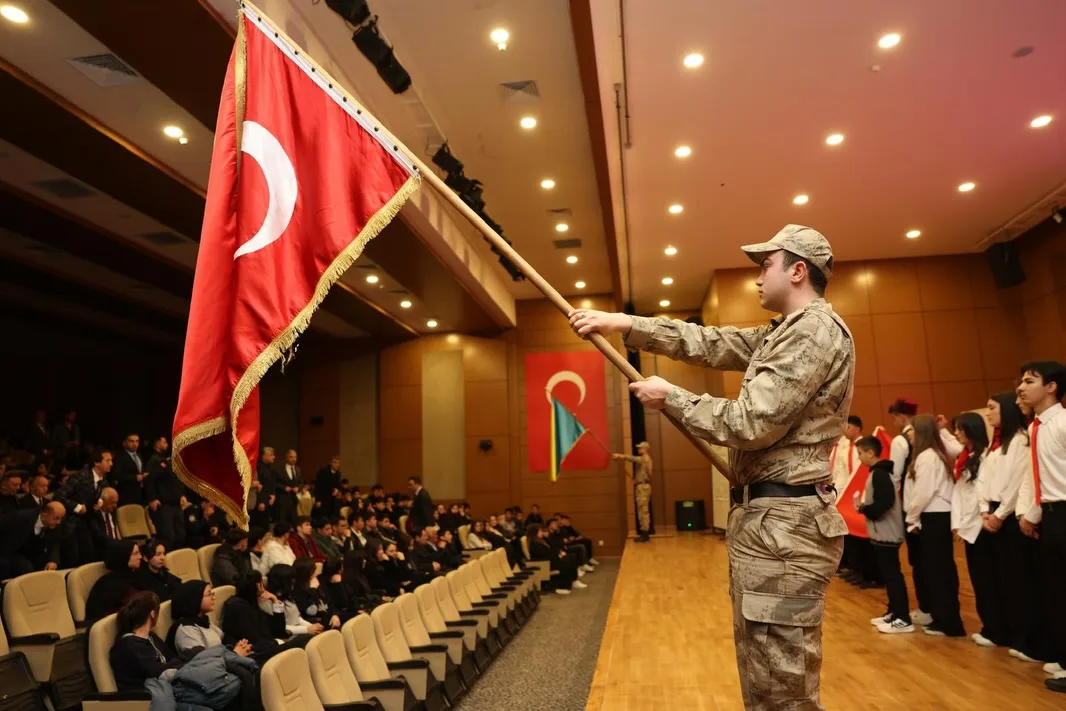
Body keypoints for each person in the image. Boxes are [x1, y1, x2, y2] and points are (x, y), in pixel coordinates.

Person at [570, 224, 852, 709]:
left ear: (798, 270)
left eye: (766, 265)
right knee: (766, 676)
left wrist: (672, 398)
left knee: (783, 688)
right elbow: (709, 342)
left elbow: (751, 423)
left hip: (785, 528)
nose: (758, 278)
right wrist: (622, 323)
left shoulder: (814, 332)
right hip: (772, 526)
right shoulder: (784, 332)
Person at [1015, 361, 1066, 693]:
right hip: (1052, 514)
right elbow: (1040, 477)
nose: (1020, 387)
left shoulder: (1062, 422)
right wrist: (1032, 513)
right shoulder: (1037, 427)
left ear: (1051, 387)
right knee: (1057, 591)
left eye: (1029, 380)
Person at [904, 414, 964, 637]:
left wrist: (912, 517)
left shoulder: (927, 457)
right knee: (938, 570)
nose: (908, 435)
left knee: (940, 571)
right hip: (936, 516)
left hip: (935, 516)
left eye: (911, 430)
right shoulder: (931, 455)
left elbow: (923, 492)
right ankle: (943, 617)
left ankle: (948, 621)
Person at [951, 412, 1002, 647]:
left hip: (980, 525)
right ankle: (989, 626)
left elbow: (978, 496)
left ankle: (995, 628)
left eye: (961, 429)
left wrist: (967, 525)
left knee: (988, 581)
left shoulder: (984, 456)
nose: (957, 433)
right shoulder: (965, 456)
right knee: (979, 581)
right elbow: (959, 493)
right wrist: (958, 525)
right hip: (968, 526)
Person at [853, 437, 911, 634]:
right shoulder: (878, 473)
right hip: (882, 533)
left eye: (860, 453)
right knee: (889, 575)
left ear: (871, 453)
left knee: (892, 575)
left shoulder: (879, 474)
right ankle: (894, 611)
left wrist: (865, 509)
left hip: (887, 533)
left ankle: (903, 618)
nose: (859, 458)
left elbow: (884, 502)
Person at [85, 540, 145, 625]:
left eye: (139, 553)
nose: (140, 557)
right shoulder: (108, 584)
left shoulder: (136, 576)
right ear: (123, 556)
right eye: (135, 554)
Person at [0, 501, 65, 577]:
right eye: (56, 518)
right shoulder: (20, 517)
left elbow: (55, 542)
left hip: (34, 552)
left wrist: (53, 560)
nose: (59, 522)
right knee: (26, 569)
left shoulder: (54, 524)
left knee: (51, 567)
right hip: (12, 550)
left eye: (61, 518)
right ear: (44, 515)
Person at [144, 436, 186, 549]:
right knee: (168, 537)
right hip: (164, 504)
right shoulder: (159, 462)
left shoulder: (174, 464)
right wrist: (152, 498)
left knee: (181, 535)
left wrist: (181, 495)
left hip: (176, 504)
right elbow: (149, 478)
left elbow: (177, 482)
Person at [611, 442, 654, 542]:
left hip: (643, 487)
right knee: (642, 510)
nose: (638, 449)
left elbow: (632, 459)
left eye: (640, 448)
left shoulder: (645, 458)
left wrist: (620, 456)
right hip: (641, 485)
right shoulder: (645, 459)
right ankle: (644, 533)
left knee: (643, 510)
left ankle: (645, 534)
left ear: (645, 449)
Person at [110, 432, 144, 506]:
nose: (135, 444)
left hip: (138, 493)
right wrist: (134, 477)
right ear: (124, 443)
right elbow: (115, 475)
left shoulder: (139, 455)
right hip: (125, 494)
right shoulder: (120, 457)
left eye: (137, 441)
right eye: (131, 441)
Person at [276, 449, 302, 523]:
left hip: (293, 500)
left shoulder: (298, 470)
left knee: (293, 521)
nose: (294, 459)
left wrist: (298, 488)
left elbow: (301, 482)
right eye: (291, 457)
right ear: (286, 457)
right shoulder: (280, 469)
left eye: (295, 457)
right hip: (283, 499)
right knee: (282, 520)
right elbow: (275, 483)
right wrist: (284, 488)